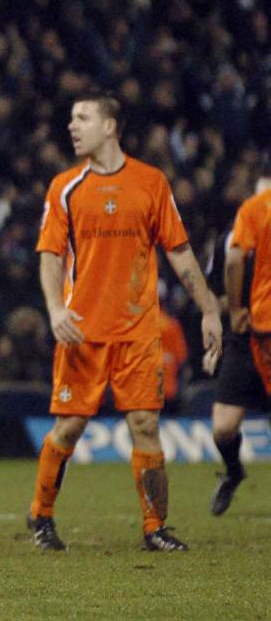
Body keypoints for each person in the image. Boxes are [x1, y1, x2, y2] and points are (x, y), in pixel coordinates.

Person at [28, 90, 221, 552]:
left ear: (109, 126)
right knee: (70, 429)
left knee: (145, 426)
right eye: (71, 117)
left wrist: (210, 308)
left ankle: (155, 528)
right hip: (81, 331)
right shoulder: (64, 188)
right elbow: (50, 257)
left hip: (137, 330)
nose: (72, 126)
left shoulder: (151, 183)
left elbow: (179, 251)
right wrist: (56, 310)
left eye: (83, 117)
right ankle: (41, 514)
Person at [221, 155, 271, 514]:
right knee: (223, 429)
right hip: (247, 334)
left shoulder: (253, 211)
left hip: (260, 326)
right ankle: (233, 471)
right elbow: (227, 267)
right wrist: (232, 310)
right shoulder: (249, 215)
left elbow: (235, 260)